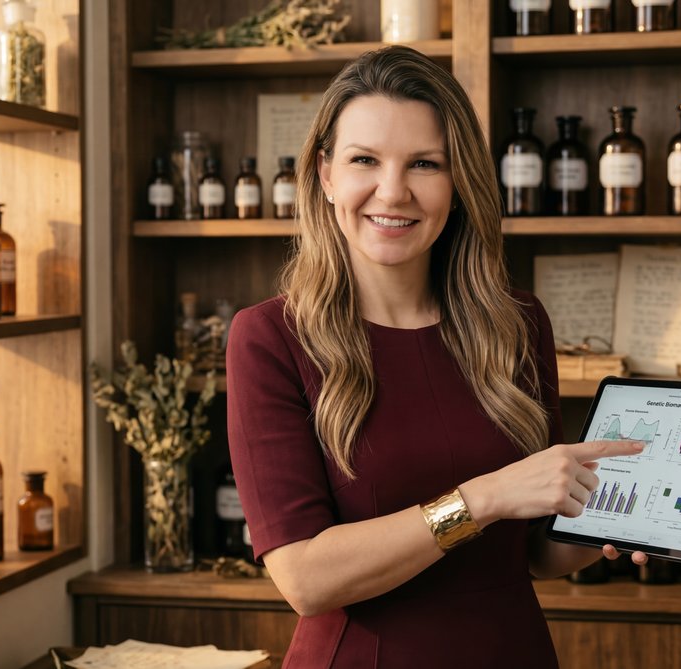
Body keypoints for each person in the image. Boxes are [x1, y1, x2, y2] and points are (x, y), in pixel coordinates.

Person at [226, 45, 646, 668]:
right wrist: (481, 499)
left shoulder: (517, 323)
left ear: (459, 181)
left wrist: (616, 524)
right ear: (325, 174)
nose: (392, 192)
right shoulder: (269, 337)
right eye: (364, 159)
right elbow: (304, 580)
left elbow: (532, 553)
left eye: (424, 163)